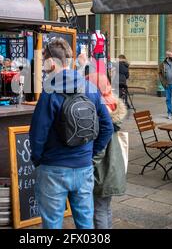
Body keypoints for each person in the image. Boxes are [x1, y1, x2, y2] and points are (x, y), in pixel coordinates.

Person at [29, 37, 113, 229]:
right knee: (85, 224)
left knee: (52, 224)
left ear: (51, 62)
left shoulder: (49, 92)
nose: (43, 65)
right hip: (84, 167)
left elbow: (37, 133)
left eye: (44, 61)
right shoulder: (91, 89)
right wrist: (90, 153)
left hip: (53, 167)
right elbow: (107, 127)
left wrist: (38, 159)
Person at [86, 72, 127, 229]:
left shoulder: (99, 108)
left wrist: (89, 163)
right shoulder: (113, 103)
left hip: (102, 169)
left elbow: (100, 149)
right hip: (113, 167)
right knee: (105, 208)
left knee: (99, 210)